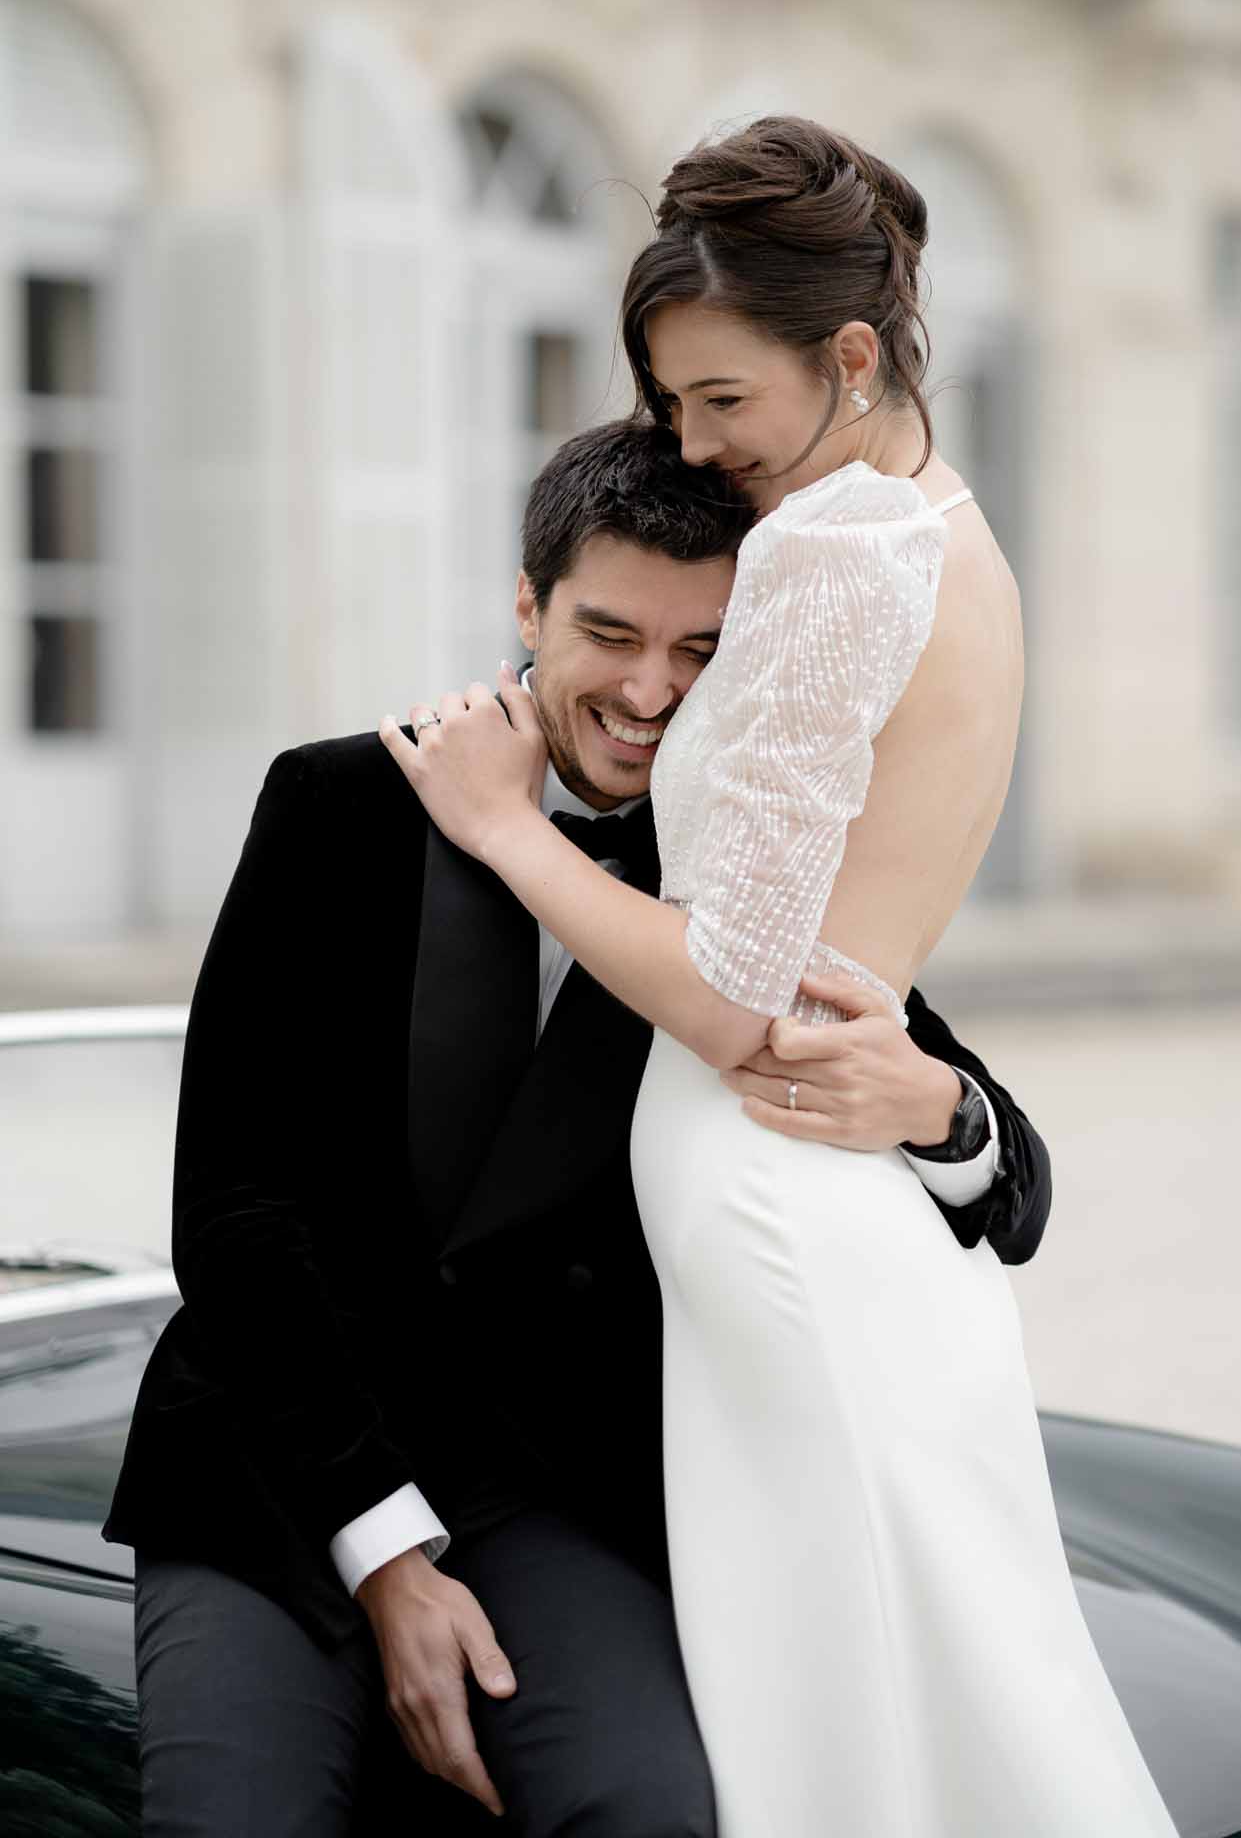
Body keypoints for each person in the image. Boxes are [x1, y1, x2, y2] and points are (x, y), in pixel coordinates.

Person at [383, 118, 1179, 1836]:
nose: (694, 444)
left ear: (851, 355)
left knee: (846, 1734)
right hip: (827, 1188)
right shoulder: (951, 534)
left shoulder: (834, 549)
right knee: (947, 1695)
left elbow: (744, 1002)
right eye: (670, 405)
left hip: (769, 1194)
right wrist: (939, 1106)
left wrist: (506, 832)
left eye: (720, 400)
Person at [105, 416, 1052, 1838]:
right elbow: (232, 1208)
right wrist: (386, 1558)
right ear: (527, 604)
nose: (651, 691)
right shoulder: (339, 800)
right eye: (610, 633)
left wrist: (940, 1109)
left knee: (648, 1814)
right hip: (280, 1463)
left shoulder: (754, 872)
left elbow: (1011, 1185)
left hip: (550, 1492)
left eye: (702, 651)